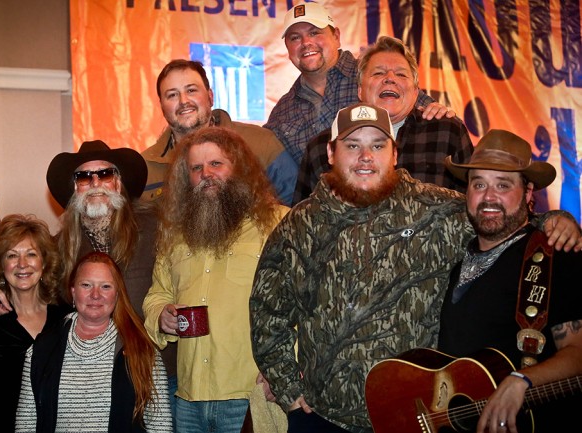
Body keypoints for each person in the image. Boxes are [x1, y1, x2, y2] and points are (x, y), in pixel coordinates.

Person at [249, 104, 582, 433]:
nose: (366, 157)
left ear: (394, 154)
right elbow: (267, 311)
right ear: (331, 153)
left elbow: (497, 218)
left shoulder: (436, 209)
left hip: (417, 416)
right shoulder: (300, 224)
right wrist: (289, 390)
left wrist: (554, 221)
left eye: (378, 146)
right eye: (353, 146)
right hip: (323, 417)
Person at [0, 141, 177, 418]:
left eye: (106, 174)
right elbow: (25, 272)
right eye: (84, 177)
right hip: (92, 381)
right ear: (75, 189)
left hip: (158, 373)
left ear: (119, 183)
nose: (95, 182)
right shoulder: (60, 246)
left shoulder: (157, 229)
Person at [143, 126, 289, 433]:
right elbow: (157, 294)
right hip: (188, 397)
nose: (206, 174)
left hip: (252, 394)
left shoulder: (280, 223)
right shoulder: (175, 234)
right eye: (196, 168)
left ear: (240, 169)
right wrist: (161, 316)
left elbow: (306, 302)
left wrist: (284, 371)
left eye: (216, 164)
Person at [437, 129, 582, 433]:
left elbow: (578, 351)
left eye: (503, 185)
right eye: (479, 184)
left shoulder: (556, 255)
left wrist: (522, 380)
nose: (489, 197)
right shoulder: (457, 260)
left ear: (529, 193)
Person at [294, 35, 474, 203]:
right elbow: (300, 225)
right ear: (360, 91)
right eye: (378, 73)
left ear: (415, 92)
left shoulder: (447, 132)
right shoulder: (321, 148)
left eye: (401, 74)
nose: (389, 78)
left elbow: (473, 206)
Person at [265, 2, 451, 163]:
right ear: (287, 47)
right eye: (295, 37)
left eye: (315, 32)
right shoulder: (282, 114)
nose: (306, 42)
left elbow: (429, 114)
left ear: (336, 36)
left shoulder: (376, 78)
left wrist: (439, 111)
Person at [15, 251, 172, 433]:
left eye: (105, 286)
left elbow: (160, 427)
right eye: (86, 285)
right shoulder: (41, 350)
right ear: (73, 292)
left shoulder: (144, 352)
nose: (95, 295)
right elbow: (26, 423)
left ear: (117, 294)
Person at [141, 59, 299, 205]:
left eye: (191, 90)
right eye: (172, 95)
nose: (183, 101)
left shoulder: (261, 144)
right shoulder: (144, 169)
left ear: (210, 96)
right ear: (161, 105)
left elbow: (297, 209)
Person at [0, 213, 70, 433]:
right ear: (0, 265)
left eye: (31, 254)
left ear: (44, 262)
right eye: (12, 255)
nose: (22, 264)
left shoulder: (66, 319)